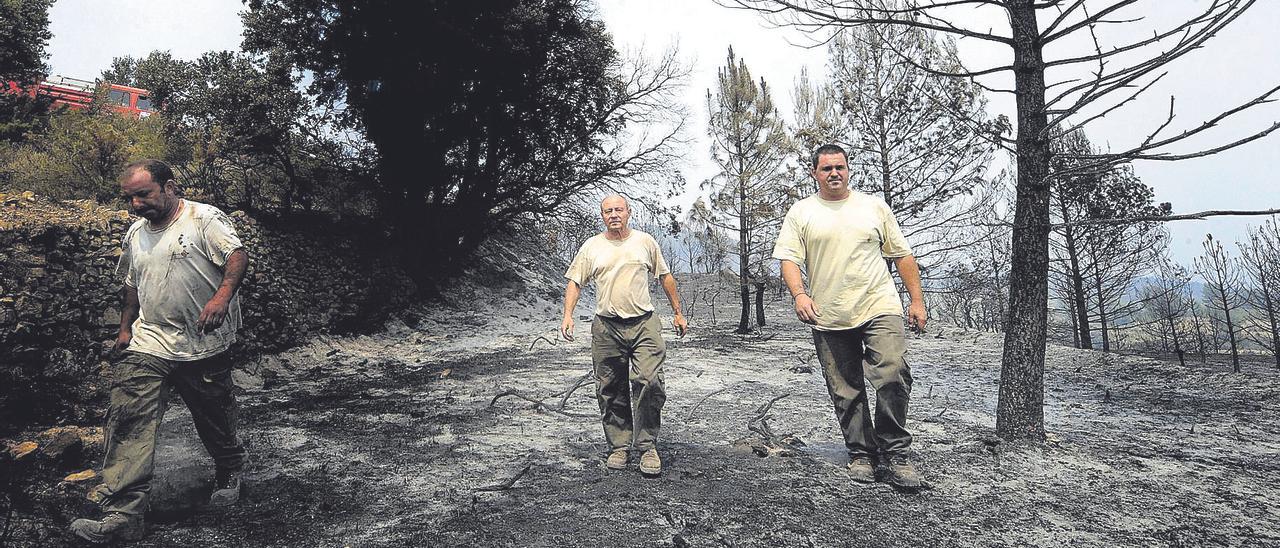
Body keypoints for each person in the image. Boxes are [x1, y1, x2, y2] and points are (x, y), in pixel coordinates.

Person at [71, 160, 250, 543]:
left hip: (204, 341)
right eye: (130, 197)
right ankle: (124, 512)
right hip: (150, 340)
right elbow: (132, 284)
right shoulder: (136, 234)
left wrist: (221, 298)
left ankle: (230, 468)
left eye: (144, 194)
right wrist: (124, 329)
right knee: (130, 414)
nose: (136, 204)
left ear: (169, 187)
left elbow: (237, 257)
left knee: (214, 415)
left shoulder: (204, 219)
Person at [772, 144, 927, 490]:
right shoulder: (802, 212)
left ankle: (896, 453)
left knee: (892, 373)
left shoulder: (873, 207)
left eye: (840, 167)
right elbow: (788, 259)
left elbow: (902, 254)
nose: (834, 174)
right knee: (846, 389)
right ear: (815, 173)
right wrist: (800, 295)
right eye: (826, 169)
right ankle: (861, 453)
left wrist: (916, 301)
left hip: (878, 304)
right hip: (829, 313)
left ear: (849, 169)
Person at [560, 195, 688, 477]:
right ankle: (619, 446)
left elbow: (665, 277)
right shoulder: (592, 247)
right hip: (607, 327)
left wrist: (678, 312)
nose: (614, 215)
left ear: (629, 212)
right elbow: (575, 281)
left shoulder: (645, 242)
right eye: (608, 211)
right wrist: (567, 315)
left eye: (619, 209)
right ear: (602, 215)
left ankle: (647, 447)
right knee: (609, 386)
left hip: (644, 323)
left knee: (650, 382)